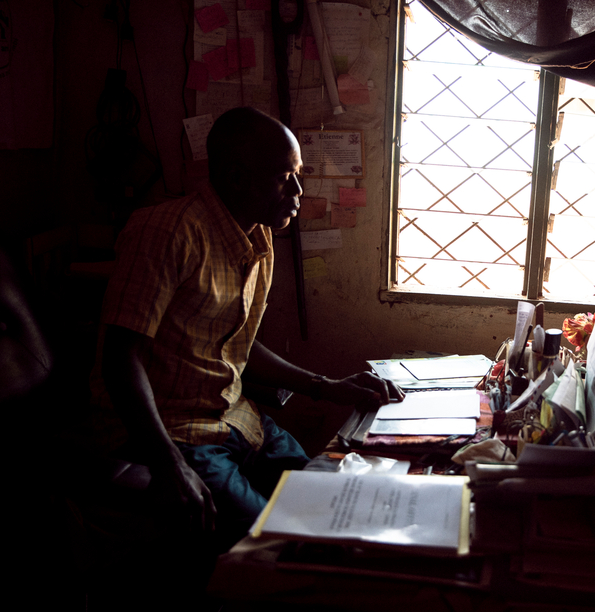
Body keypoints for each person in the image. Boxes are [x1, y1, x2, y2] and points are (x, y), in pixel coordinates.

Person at [100, 107, 403, 546]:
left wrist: (326, 385)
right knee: (274, 542)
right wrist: (166, 463)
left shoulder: (257, 239)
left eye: (298, 175)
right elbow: (118, 357)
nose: (298, 190)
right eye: (285, 177)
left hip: (235, 420)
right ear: (237, 177)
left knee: (332, 504)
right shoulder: (167, 231)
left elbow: (236, 345)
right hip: (173, 433)